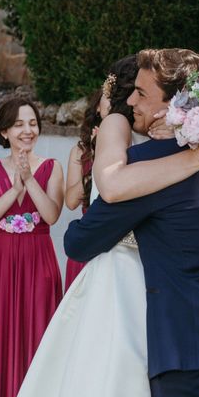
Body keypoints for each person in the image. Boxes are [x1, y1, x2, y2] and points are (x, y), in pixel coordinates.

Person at [15, 53, 199, 397]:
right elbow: (112, 186)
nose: (136, 101)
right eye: (135, 91)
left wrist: (178, 135)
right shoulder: (116, 124)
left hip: (158, 270)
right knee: (113, 365)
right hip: (119, 263)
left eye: (145, 93)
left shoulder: (184, 132)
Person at [63, 48, 199, 397]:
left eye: (142, 93)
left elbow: (80, 242)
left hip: (194, 354)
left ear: (173, 106)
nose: (131, 99)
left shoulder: (150, 164)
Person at [0, 98, 64, 397]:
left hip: (39, 259)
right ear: (3, 132)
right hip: (1, 260)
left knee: (39, 330)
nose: (27, 131)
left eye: (32, 124)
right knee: (2, 333)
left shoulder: (52, 168)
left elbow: (51, 215)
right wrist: (14, 190)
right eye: (18, 125)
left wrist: (28, 180)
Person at [63, 88, 109, 289]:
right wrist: (97, 156)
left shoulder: (132, 144)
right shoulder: (80, 151)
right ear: (98, 106)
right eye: (110, 96)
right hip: (89, 234)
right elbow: (71, 202)